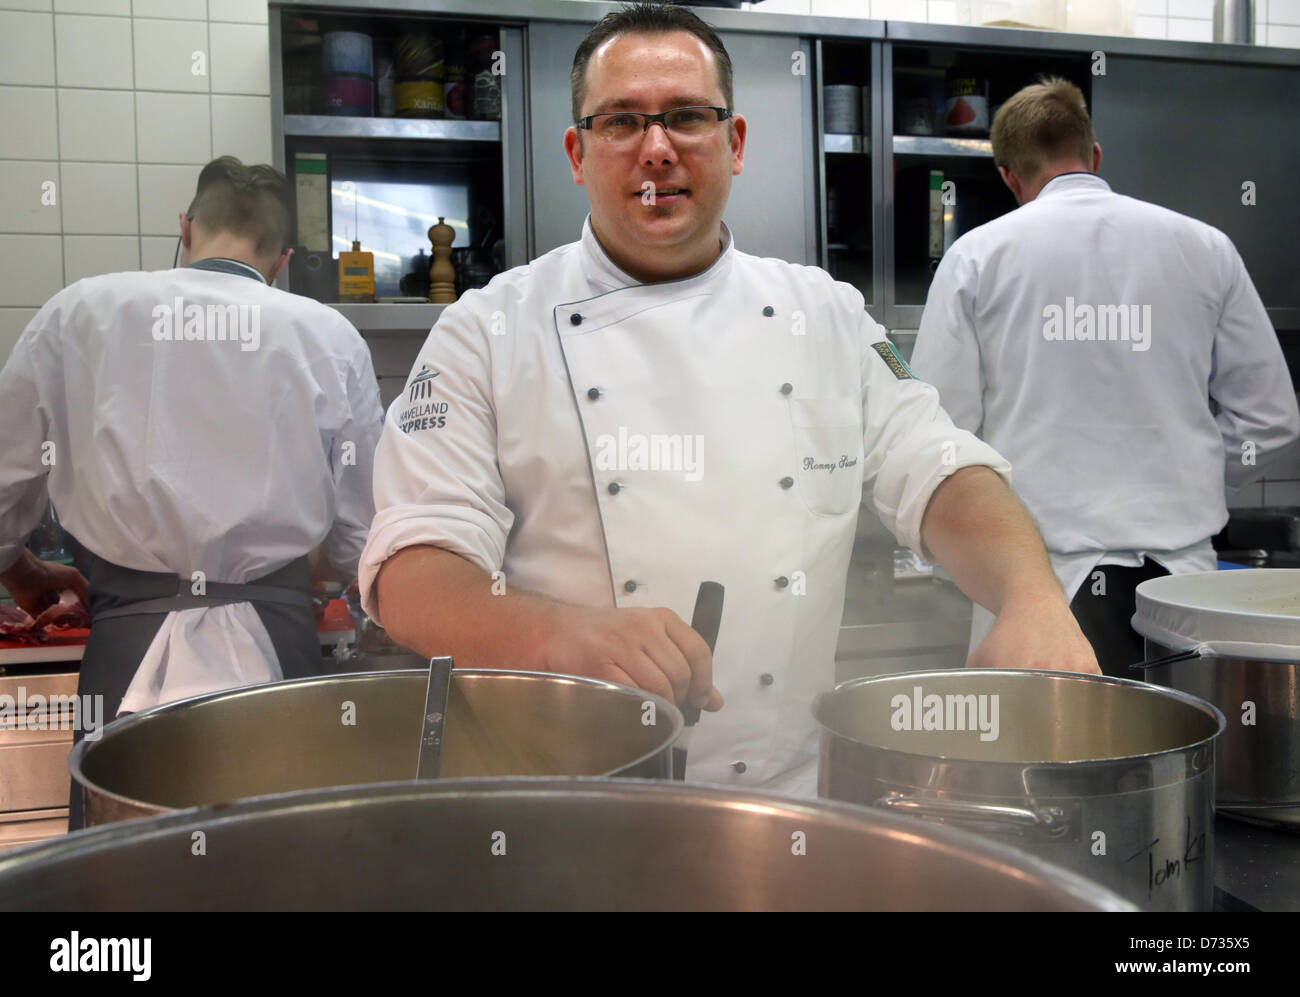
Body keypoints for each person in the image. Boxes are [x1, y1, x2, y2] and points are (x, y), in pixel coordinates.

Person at [358, 2, 1099, 798]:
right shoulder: (489, 330)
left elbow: (940, 466)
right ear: (577, 153)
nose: (656, 149)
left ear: (734, 142)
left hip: (781, 805)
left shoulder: (826, 314)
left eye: (686, 117)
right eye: (620, 123)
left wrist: (1031, 596)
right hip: (562, 804)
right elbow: (412, 568)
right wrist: (552, 633)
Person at [0, 156, 384, 827]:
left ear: (185, 226)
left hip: (126, 651)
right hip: (280, 646)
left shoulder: (78, 313)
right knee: (288, 865)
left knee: (124, 879)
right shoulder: (330, 337)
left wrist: (21, 567)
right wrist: (313, 574)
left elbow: (6, 481)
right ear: (282, 257)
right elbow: (363, 525)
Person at [909, 77, 1300, 676]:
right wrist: (1191, 478)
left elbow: (942, 439)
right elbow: (1271, 420)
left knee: (1041, 763)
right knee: (1180, 763)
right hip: (1181, 599)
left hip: (1037, 595)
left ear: (1011, 177)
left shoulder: (977, 257)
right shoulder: (1206, 248)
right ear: (1094, 155)